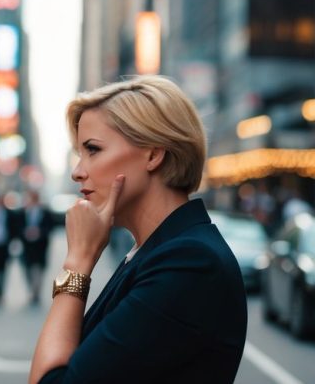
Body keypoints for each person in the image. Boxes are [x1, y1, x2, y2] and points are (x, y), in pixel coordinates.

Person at [29, 76, 247, 384]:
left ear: (153, 154)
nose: (77, 172)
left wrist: (77, 263)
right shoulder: (155, 251)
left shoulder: (191, 263)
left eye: (93, 149)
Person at [21, 190, 54, 305]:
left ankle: (36, 291)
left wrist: (39, 232)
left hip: (41, 246)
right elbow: (18, 226)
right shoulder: (24, 211)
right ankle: (32, 288)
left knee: (39, 268)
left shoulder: (45, 212)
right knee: (27, 269)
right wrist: (25, 233)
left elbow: (50, 227)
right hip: (27, 246)